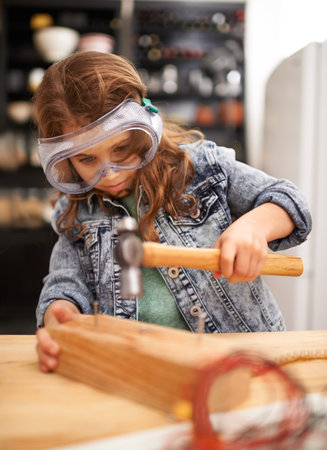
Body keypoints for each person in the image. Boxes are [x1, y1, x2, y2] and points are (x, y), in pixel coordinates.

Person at [34, 51, 311, 373]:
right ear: (64, 158)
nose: (108, 173)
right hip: (143, 367)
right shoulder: (75, 212)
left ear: (145, 125)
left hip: (245, 358)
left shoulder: (202, 168)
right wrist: (59, 312)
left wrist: (254, 228)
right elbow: (66, 284)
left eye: (121, 149)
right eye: (87, 160)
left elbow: (290, 202)